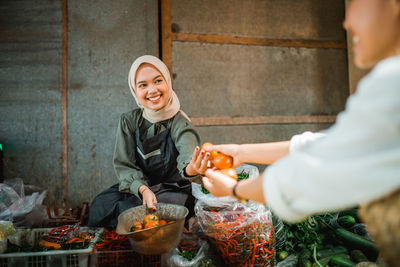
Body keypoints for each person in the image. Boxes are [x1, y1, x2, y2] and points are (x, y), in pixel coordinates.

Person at [202, 0, 400, 265]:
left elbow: (312, 171)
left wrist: (236, 189)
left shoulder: (391, 83)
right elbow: (328, 146)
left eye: (357, 3)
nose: (347, 21)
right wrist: (242, 152)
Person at [88, 55, 209, 228]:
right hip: (141, 186)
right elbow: (125, 165)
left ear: (168, 82)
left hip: (173, 188)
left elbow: (188, 154)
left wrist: (192, 169)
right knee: (100, 205)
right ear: (134, 90)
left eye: (158, 81)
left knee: (150, 211)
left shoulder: (179, 122)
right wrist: (143, 189)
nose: (152, 90)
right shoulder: (129, 121)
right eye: (143, 85)